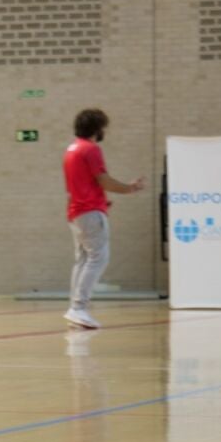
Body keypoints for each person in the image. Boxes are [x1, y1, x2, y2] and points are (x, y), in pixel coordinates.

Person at [62, 108, 144, 329]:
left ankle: (75, 308)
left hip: (76, 212)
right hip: (89, 211)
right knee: (98, 258)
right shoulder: (90, 149)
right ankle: (78, 308)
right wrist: (130, 188)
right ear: (97, 128)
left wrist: (100, 201)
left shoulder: (71, 150)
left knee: (83, 260)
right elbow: (103, 180)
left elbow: (78, 185)